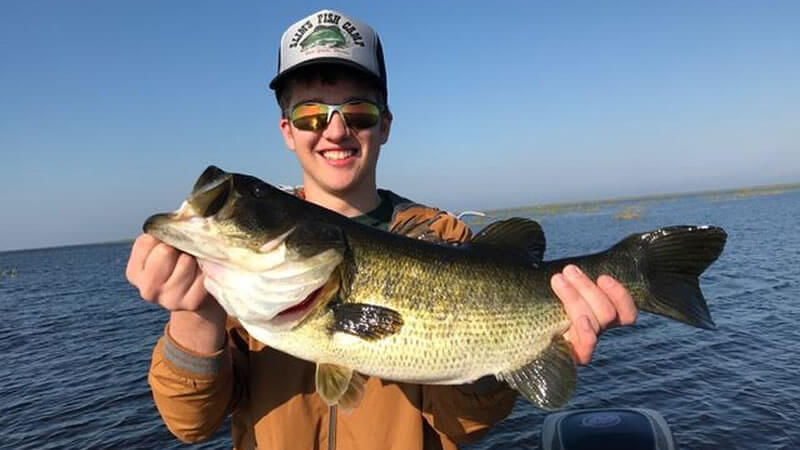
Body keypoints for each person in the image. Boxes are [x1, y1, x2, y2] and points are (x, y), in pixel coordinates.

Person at [126, 9, 637, 450]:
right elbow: (191, 424)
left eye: (358, 112)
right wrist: (195, 317)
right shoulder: (237, 279)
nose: (335, 130)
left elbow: (464, 424)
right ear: (287, 131)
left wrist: (521, 344)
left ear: (385, 125)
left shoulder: (444, 237)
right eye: (310, 115)